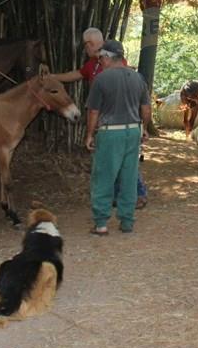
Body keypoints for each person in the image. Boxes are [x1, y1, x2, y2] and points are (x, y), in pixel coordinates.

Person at [54, 27, 148, 209]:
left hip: (119, 118)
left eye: (85, 45)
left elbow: (130, 92)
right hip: (107, 121)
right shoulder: (92, 64)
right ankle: (117, 196)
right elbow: (77, 74)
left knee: (124, 161)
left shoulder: (114, 59)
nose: (85, 49)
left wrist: (141, 125)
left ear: (90, 44)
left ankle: (137, 194)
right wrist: (53, 77)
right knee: (111, 160)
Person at [84, 39, 151, 235]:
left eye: (101, 58)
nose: (100, 62)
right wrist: (144, 128)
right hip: (132, 131)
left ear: (107, 57)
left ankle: (101, 223)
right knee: (129, 176)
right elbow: (146, 109)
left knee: (104, 176)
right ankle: (127, 221)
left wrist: (89, 134)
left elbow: (93, 112)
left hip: (110, 132)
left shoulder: (101, 79)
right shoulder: (138, 78)